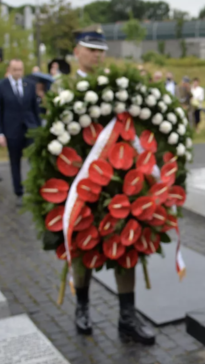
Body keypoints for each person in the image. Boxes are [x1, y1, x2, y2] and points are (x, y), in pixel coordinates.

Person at [67, 25, 157, 345]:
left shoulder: (122, 87)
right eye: (90, 48)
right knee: (82, 247)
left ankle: (126, 317)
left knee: (126, 244)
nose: (97, 54)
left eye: (101, 49)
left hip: (120, 180)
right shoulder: (63, 88)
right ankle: (82, 307)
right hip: (79, 180)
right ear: (76, 51)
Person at [0, 59, 41, 204]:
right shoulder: (1, 86)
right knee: (15, 160)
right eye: (15, 69)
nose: (17, 72)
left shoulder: (30, 85)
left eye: (20, 69)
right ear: (9, 69)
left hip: (30, 127)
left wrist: (38, 128)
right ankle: (18, 191)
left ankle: (35, 188)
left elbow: (35, 108)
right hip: (12, 129)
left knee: (35, 159)